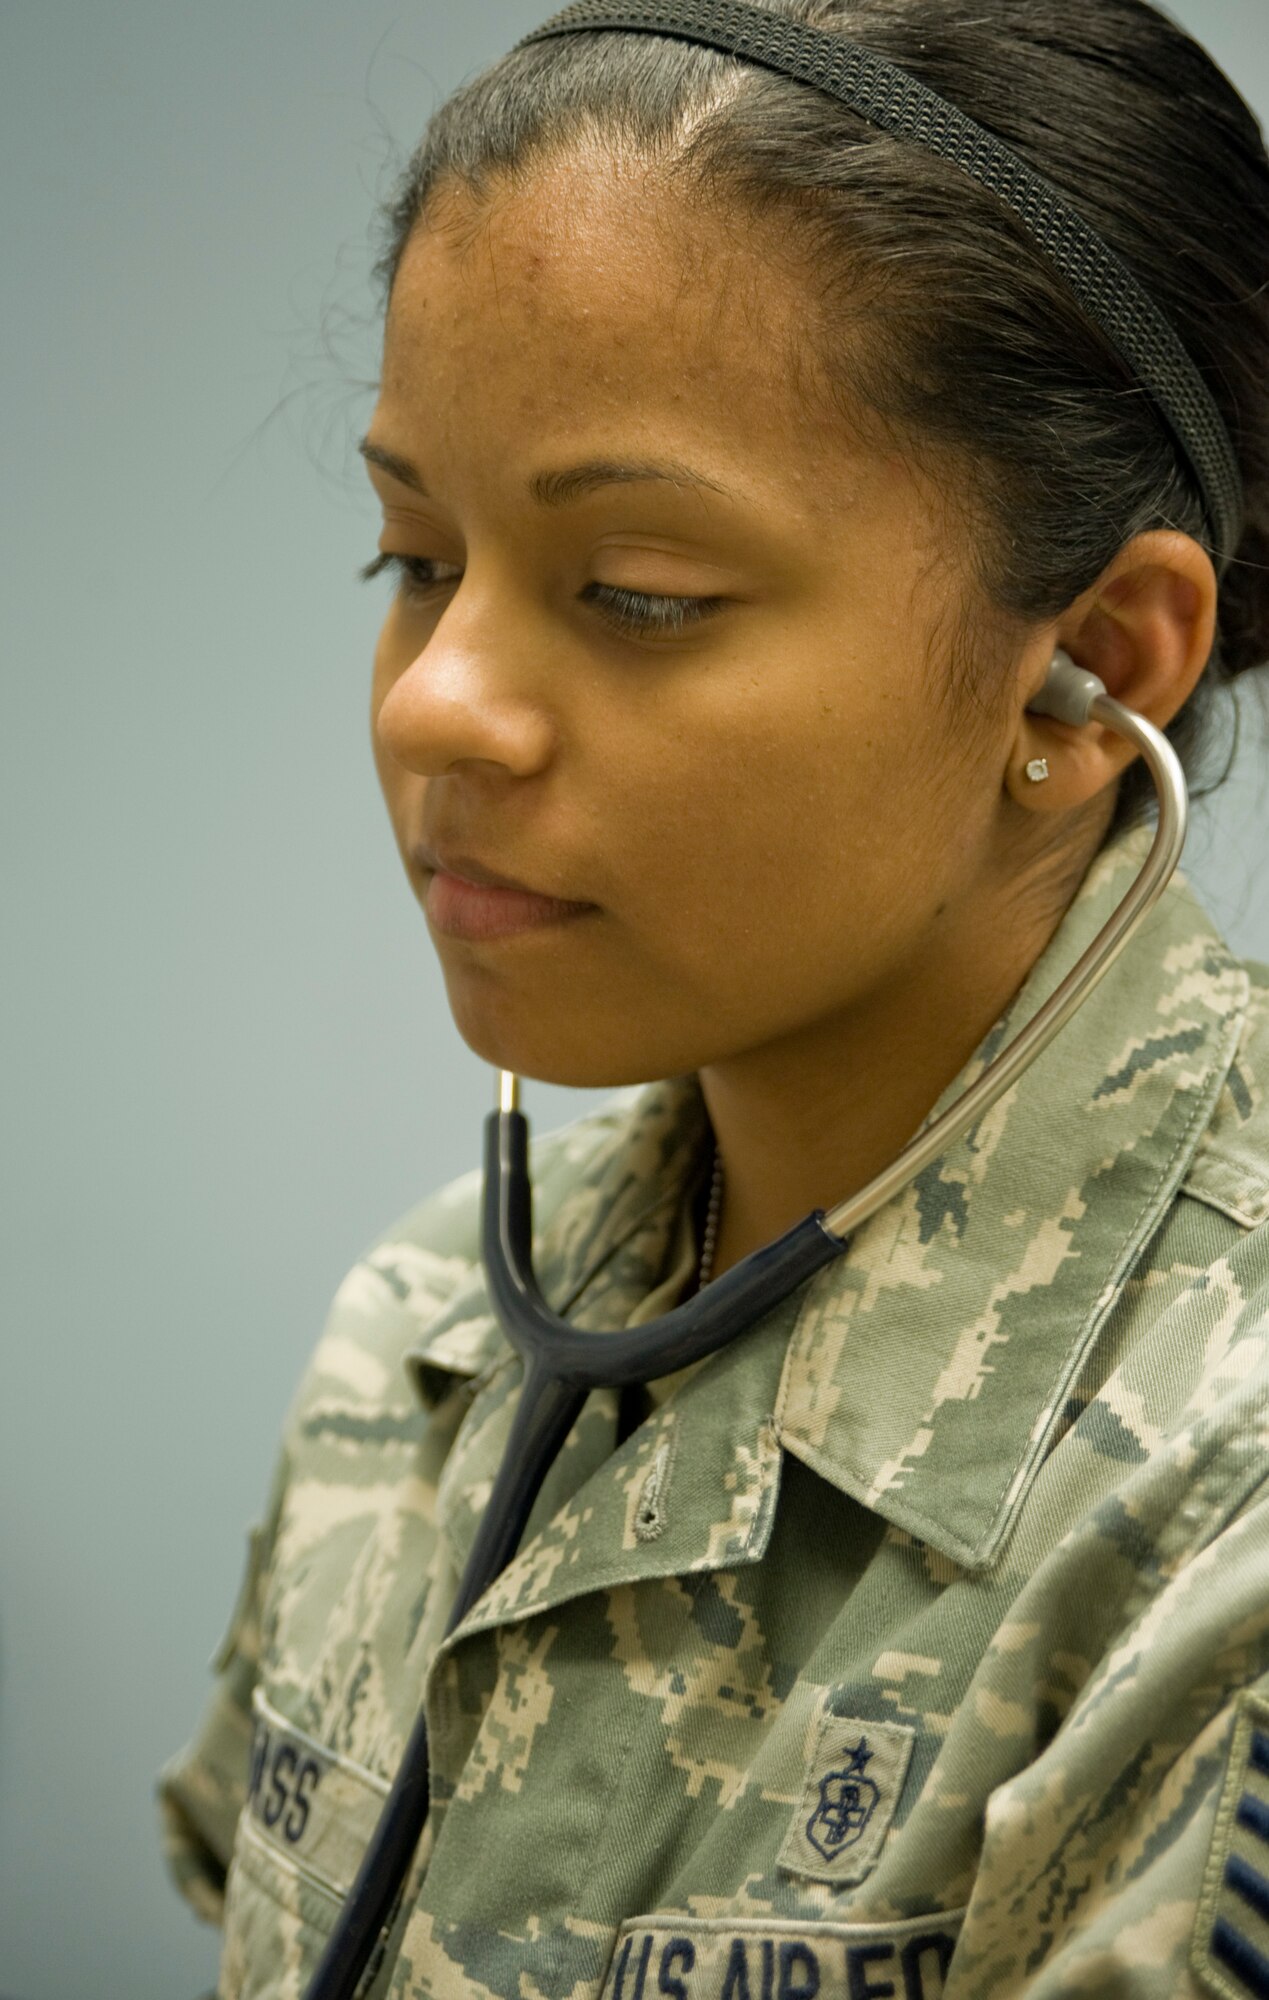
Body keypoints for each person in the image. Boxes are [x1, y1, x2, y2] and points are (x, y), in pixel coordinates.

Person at [158, 1, 1269, 1994]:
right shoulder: (418, 1346)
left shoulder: (1225, 1509)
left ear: (1088, 666)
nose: (432, 704)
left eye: (637, 591)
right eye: (410, 555)